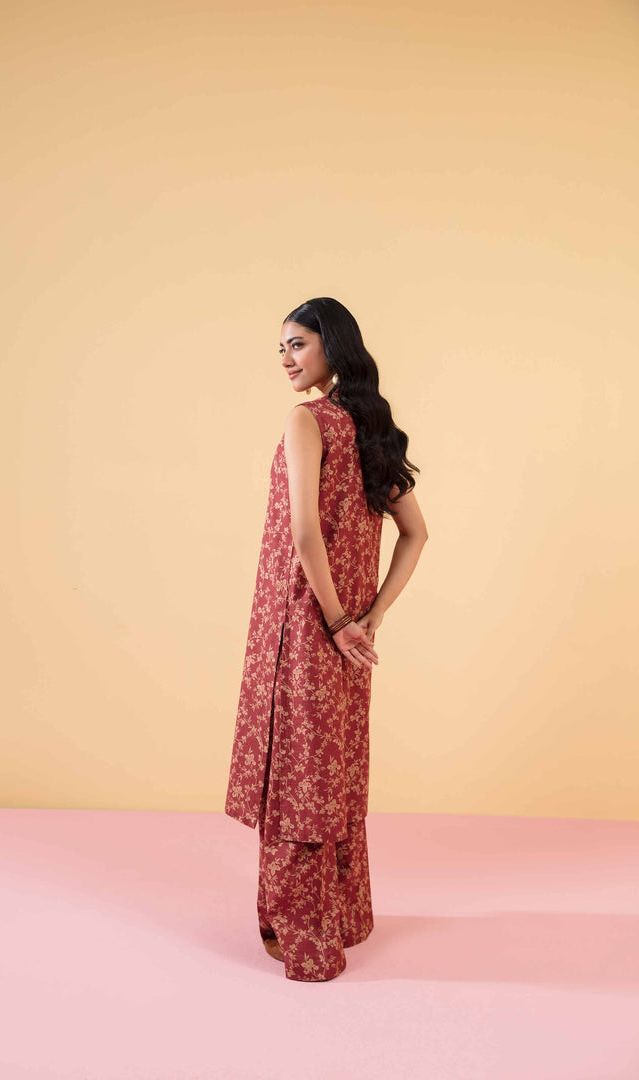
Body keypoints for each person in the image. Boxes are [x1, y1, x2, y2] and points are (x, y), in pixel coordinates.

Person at [225, 296, 429, 982]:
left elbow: (305, 533)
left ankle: (304, 931)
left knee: (296, 780)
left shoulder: (307, 420)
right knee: (331, 773)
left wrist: (340, 622)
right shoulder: (370, 428)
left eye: (297, 345)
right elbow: (416, 534)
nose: (286, 360)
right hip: (347, 638)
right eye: (281, 349)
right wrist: (372, 617)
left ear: (331, 346)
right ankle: (344, 916)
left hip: (304, 628)